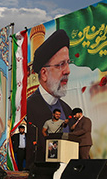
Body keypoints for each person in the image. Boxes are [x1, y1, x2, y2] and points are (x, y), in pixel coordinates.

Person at [27, 30, 73, 165]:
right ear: (44, 73)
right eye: (61, 65)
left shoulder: (67, 109)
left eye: (68, 63)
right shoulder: (29, 107)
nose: (68, 70)